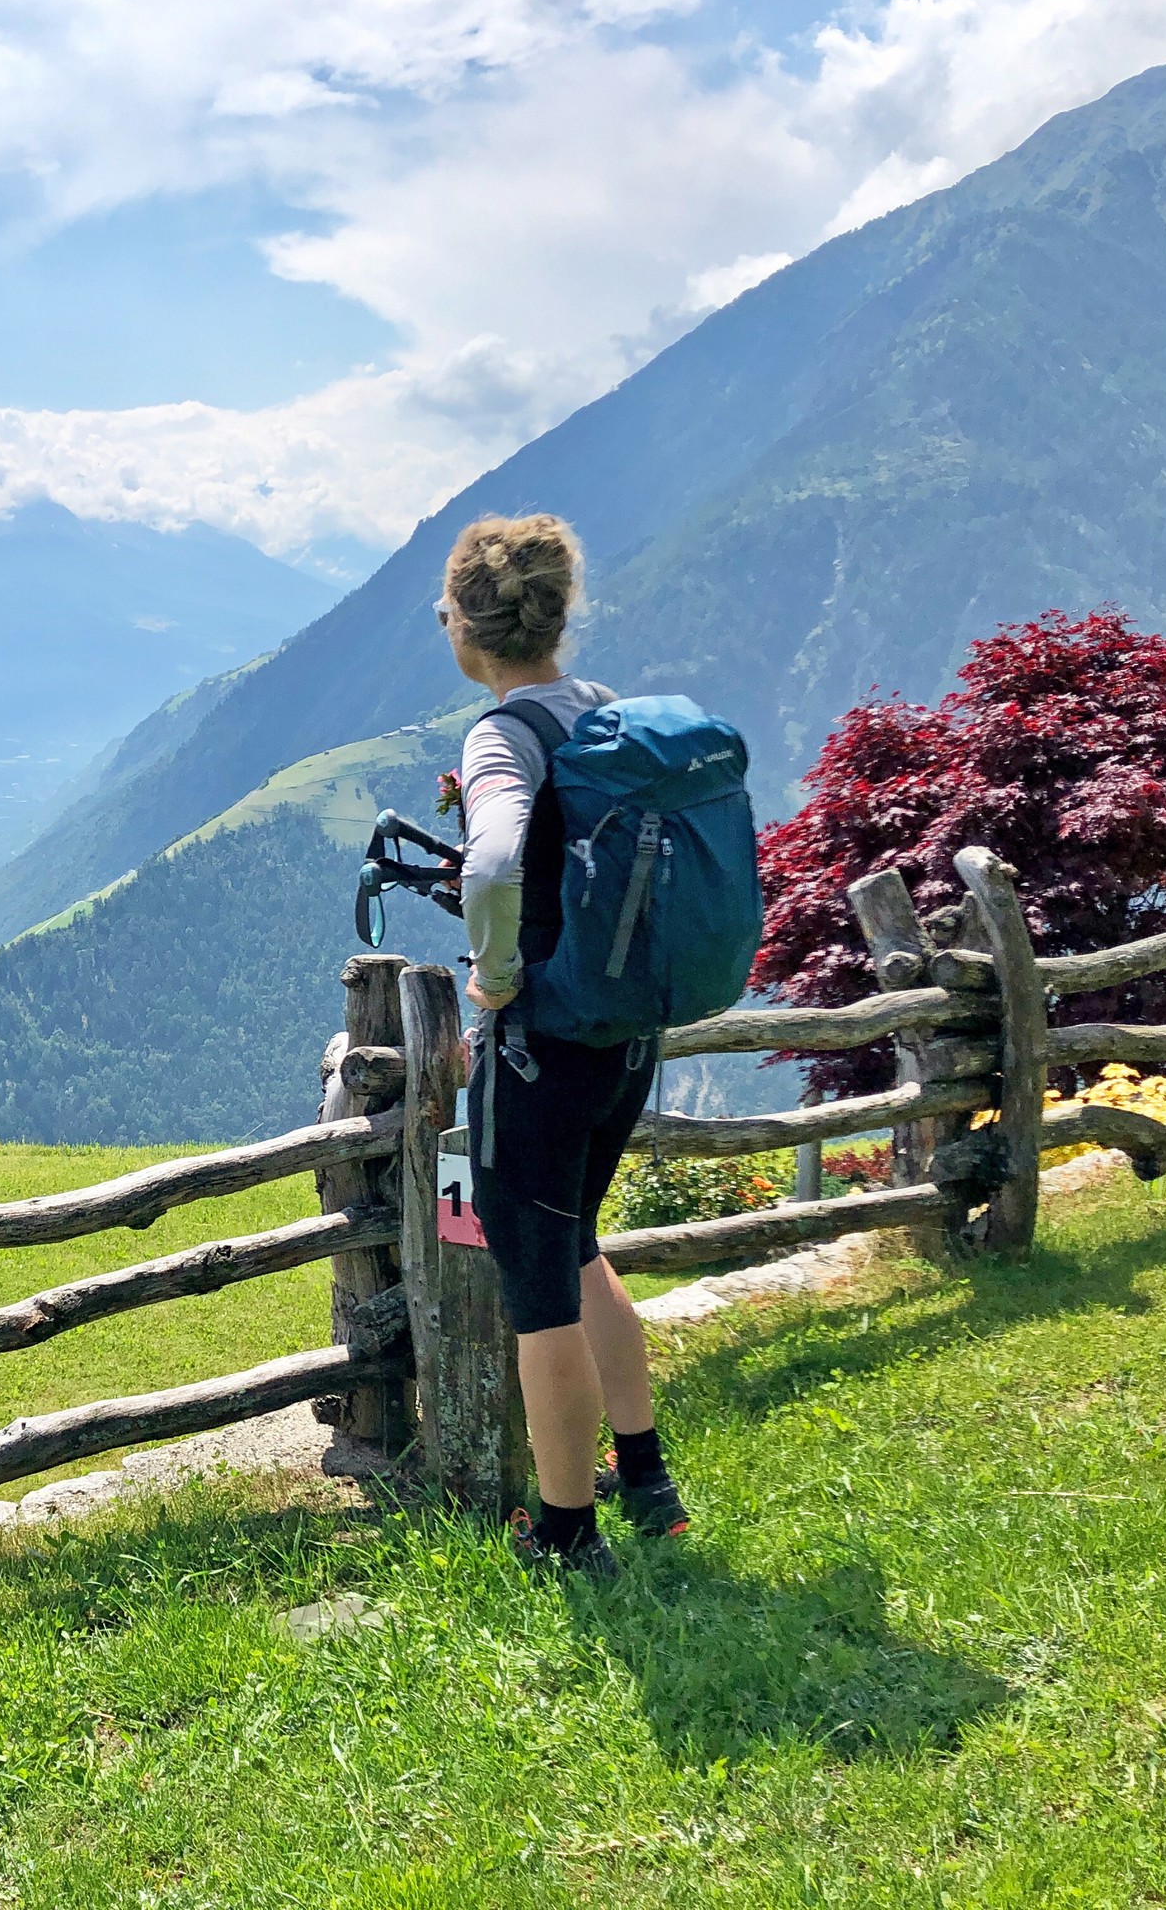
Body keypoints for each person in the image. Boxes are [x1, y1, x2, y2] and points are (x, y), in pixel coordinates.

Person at [440, 512, 690, 1579]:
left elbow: (495, 867)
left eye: (445, 608)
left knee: (535, 1280)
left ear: (468, 626)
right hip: (626, 1036)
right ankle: (645, 1480)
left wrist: (491, 981)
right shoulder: (606, 714)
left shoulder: (502, 734)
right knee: (580, 1241)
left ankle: (562, 1529)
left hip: (539, 1045)